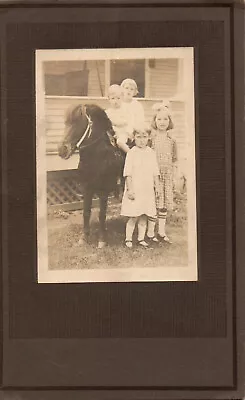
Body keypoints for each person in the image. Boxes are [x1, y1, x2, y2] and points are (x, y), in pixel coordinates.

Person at [121, 129, 160, 249]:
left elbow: (155, 171)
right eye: (139, 137)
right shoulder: (132, 153)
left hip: (147, 188)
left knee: (144, 214)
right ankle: (128, 238)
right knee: (134, 215)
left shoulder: (151, 153)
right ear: (134, 138)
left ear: (149, 138)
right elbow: (127, 173)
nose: (142, 140)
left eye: (144, 137)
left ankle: (141, 238)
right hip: (135, 187)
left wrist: (157, 186)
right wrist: (130, 189)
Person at [146, 102, 178, 244]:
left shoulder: (172, 140)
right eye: (159, 119)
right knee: (153, 203)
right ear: (154, 121)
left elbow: (175, 159)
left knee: (163, 204)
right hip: (154, 176)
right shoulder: (151, 139)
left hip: (167, 176)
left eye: (165, 119)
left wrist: (176, 174)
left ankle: (161, 232)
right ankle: (150, 233)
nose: (162, 122)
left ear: (170, 121)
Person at [105, 84, 134, 154]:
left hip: (123, 133)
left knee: (120, 142)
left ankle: (131, 154)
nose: (116, 101)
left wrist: (114, 122)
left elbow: (127, 122)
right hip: (111, 134)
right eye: (113, 98)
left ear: (122, 98)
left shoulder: (125, 110)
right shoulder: (108, 112)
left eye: (118, 98)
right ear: (109, 99)